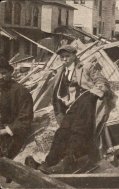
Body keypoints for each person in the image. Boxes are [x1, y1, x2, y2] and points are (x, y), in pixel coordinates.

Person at [27, 45, 114, 174]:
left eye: (67, 56)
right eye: (62, 57)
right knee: (61, 132)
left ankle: (68, 161)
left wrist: (93, 94)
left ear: (74, 56)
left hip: (88, 101)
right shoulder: (61, 73)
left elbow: (103, 82)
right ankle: (48, 163)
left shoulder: (86, 67)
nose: (64, 59)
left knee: (78, 129)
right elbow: (56, 95)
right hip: (72, 106)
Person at [0, 56, 33, 160]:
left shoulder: (21, 92)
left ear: (10, 73)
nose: (0, 77)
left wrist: (4, 131)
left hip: (11, 133)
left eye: (3, 73)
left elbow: (25, 119)